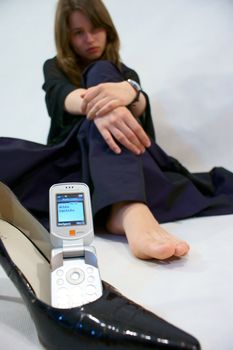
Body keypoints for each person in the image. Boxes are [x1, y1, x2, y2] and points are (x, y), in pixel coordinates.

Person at [0, 0, 233, 262]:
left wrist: (131, 91)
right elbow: (65, 97)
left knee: (101, 69)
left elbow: (138, 110)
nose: (90, 39)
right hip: (72, 168)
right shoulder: (54, 67)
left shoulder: (124, 73)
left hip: (128, 166)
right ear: (66, 37)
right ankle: (117, 207)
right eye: (78, 32)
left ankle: (129, 209)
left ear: (108, 29)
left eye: (96, 28)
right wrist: (114, 101)